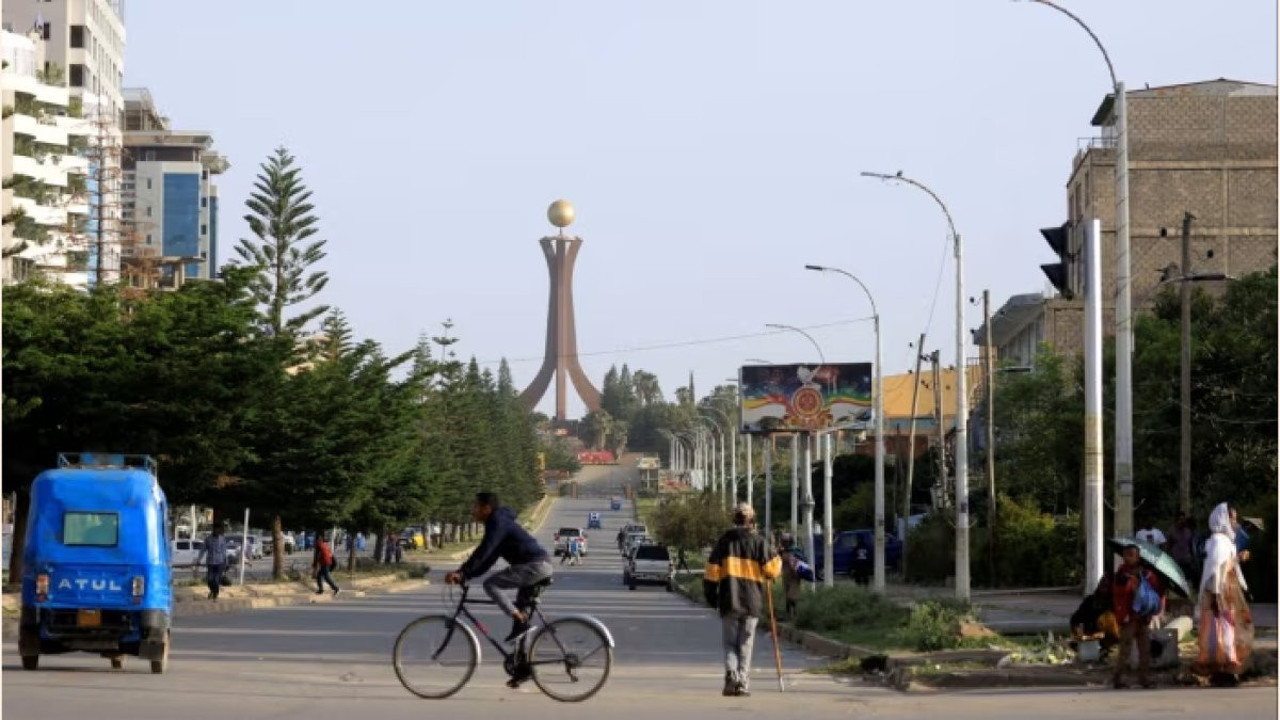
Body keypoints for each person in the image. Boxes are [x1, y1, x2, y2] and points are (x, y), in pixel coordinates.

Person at [445, 492, 553, 654]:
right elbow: (488, 558)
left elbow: (484, 550)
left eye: (476, 506)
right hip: (539, 566)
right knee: (522, 622)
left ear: (486, 508)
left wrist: (462, 572)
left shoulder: (497, 522)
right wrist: (467, 574)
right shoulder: (498, 523)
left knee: (491, 585)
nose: (473, 510)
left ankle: (519, 619)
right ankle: (523, 666)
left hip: (534, 566)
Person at [704, 503, 781, 698]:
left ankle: (731, 675)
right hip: (752, 602)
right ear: (752, 520)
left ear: (734, 519)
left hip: (729, 600)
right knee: (745, 645)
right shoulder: (759, 542)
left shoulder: (724, 542)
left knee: (730, 644)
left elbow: (711, 572)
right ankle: (742, 684)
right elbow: (772, 570)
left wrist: (712, 597)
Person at [1192, 502, 1254, 682]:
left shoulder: (1224, 541)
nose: (1235, 523)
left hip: (1226, 590)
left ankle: (1224, 663)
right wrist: (1216, 597)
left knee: (1227, 626)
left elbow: (1226, 564)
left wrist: (1238, 559)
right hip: (1220, 592)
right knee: (1222, 627)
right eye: (1233, 518)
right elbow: (1215, 571)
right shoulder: (1219, 541)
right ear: (1224, 519)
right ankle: (1225, 663)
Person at [1110, 541, 1166, 689]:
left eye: (1131, 555)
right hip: (1129, 617)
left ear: (1138, 557)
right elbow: (1118, 593)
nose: (1128, 558)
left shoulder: (1147, 574)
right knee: (1125, 650)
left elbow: (1156, 591)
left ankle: (1144, 678)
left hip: (1143, 617)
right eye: (1126, 555)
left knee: (1145, 650)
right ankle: (1118, 678)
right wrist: (1130, 582)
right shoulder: (1121, 573)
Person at [1070, 570, 1119, 656]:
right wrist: (1079, 635)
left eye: (1107, 584)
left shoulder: (1117, 603)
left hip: (1111, 640)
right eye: (1102, 582)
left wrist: (1104, 634)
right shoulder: (1090, 601)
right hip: (1090, 639)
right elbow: (1074, 620)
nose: (1104, 585)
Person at [195, 524, 228, 601]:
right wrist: (199, 559)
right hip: (210, 562)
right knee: (209, 580)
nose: (217, 531)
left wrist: (226, 562)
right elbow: (202, 550)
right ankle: (212, 591)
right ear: (213, 530)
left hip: (220, 563)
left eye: (218, 530)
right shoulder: (208, 539)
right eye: (215, 530)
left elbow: (224, 552)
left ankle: (215, 595)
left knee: (216, 580)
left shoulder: (222, 539)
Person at [1167, 513, 1198, 590]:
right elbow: (1168, 546)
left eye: (1183, 519)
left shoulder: (1188, 531)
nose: (1182, 521)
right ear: (1176, 521)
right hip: (1176, 561)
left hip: (1187, 561)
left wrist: (1193, 558)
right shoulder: (1172, 531)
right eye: (1180, 519)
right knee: (1177, 581)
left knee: (1188, 580)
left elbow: (1191, 546)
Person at [779, 545, 803, 619]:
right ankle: (790, 613)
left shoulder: (792, 553)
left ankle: (793, 613)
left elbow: (793, 565)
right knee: (789, 595)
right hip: (788, 577)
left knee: (792, 596)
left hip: (793, 577)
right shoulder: (784, 552)